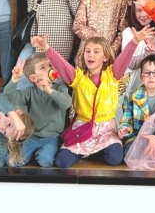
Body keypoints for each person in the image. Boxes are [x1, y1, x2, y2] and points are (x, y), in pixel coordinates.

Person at [32, 34, 135, 167]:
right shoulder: (78, 77)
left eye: (96, 51)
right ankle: (86, 151)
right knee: (62, 162)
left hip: (106, 131)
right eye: (88, 51)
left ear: (105, 57)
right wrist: (46, 48)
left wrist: (134, 41)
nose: (91, 54)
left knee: (114, 158)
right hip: (82, 128)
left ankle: (94, 151)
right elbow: (61, 65)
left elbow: (124, 58)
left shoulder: (112, 74)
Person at [2, 52, 70, 167]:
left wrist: (49, 90)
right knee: (12, 162)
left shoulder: (60, 87)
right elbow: (9, 98)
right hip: (32, 136)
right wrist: (14, 80)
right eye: (43, 67)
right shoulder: (29, 92)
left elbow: (66, 103)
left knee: (45, 161)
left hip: (52, 137)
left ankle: (39, 154)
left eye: (50, 65)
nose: (49, 68)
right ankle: (32, 154)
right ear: (33, 78)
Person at [118, 54, 155, 152]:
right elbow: (126, 120)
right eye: (147, 73)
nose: (151, 76)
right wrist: (125, 128)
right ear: (141, 77)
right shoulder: (131, 96)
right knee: (131, 150)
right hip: (138, 136)